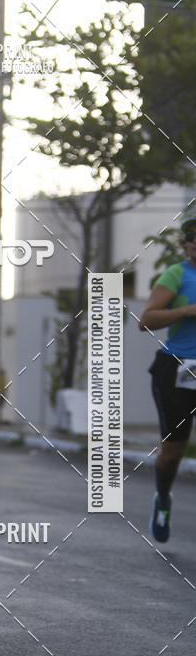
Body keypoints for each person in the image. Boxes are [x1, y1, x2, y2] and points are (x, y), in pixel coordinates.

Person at [140, 215, 196, 542]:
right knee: (174, 450)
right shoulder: (177, 274)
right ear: (185, 245)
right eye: (191, 242)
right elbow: (146, 319)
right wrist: (186, 311)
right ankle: (163, 499)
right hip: (177, 367)